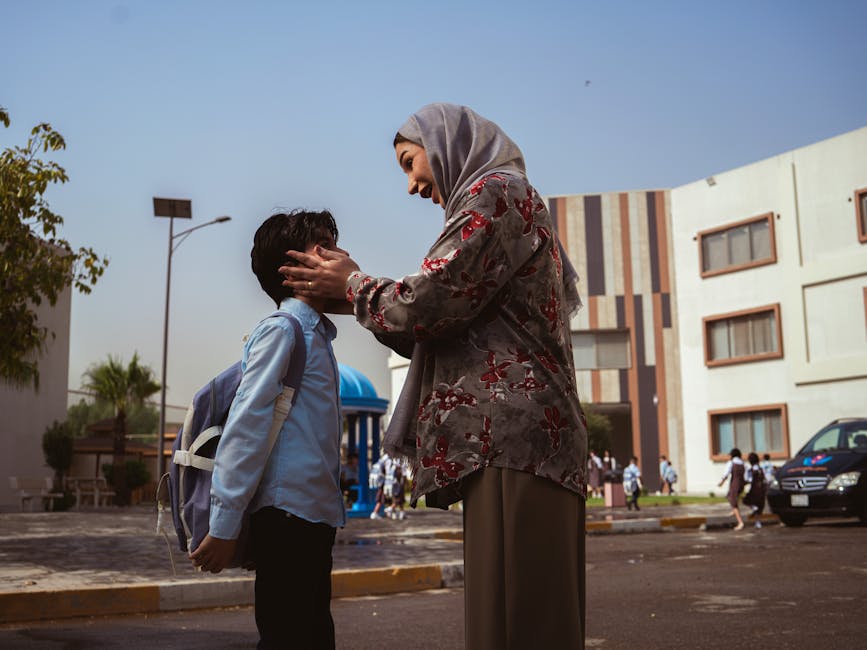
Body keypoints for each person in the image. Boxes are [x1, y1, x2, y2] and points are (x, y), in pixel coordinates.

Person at [280, 103, 587, 649]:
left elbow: (430, 302)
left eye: (408, 162)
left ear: (445, 144)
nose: (411, 185)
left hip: (513, 442)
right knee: (514, 614)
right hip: (517, 443)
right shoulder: (501, 198)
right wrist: (354, 297)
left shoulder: (495, 193)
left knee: (517, 620)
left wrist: (353, 285)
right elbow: (440, 324)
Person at [190, 210, 346, 650]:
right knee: (287, 636)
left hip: (315, 515)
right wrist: (224, 525)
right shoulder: (284, 330)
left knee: (314, 636)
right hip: (286, 515)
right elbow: (247, 426)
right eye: (324, 247)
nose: (337, 257)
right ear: (292, 269)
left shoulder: (317, 335)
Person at [718, 447, 746, 531]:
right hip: (741, 484)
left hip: (735, 484)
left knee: (733, 502)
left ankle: (740, 522)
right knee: (729, 496)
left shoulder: (731, 463)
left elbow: (726, 473)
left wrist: (721, 482)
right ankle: (734, 511)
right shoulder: (742, 463)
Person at [743, 452, 766, 527]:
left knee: (746, 500)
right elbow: (765, 479)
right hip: (762, 489)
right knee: (760, 506)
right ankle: (758, 522)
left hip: (754, 489)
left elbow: (748, 479)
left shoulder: (750, 470)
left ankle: (753, 508)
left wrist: (744, 483)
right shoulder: (761, 469)